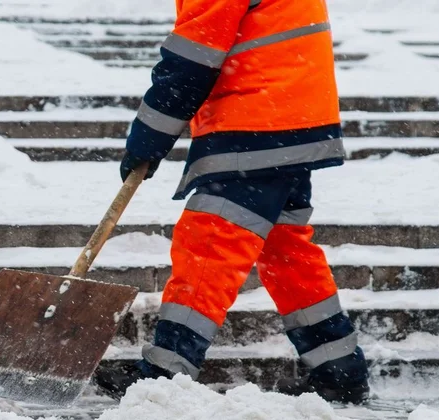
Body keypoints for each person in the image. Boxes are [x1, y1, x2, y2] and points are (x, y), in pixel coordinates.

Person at [92, 0, 370, 405]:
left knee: (209, 244)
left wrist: (148, 138)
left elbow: (192, 59)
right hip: (293, 120)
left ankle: (166, 372)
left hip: (255, 123)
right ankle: (339, 368)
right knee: (284, 248)